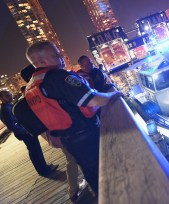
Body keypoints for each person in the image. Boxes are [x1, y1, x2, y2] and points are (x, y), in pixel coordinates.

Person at [24, 41, 122, 195]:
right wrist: (114, 94)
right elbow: (93, 100)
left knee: (94, 177)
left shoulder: (31, 87)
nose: (61, 56)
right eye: (56, 54)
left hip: (69, 141)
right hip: (87, 135)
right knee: (109, 175)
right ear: (42, 62)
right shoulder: (57, 77)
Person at [20, 64, 88, 202]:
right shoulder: (41, 89)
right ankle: (73, 190)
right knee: (71, 159)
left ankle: (83, 181)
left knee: (73, 157)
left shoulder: (29, 93)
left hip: (52, 132)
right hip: (60, 129)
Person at [0, 90, 58, 177]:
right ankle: (44, 170)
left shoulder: (8, 106)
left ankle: (43, 168)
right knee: (34, 151)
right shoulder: (5, 109)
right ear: (1, 98)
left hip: (26, 131)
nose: (10, 96)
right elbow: (12, 126)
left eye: (10, 94)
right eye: (7, 95)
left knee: (35, 150)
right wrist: (26, 130)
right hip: (25, 133)